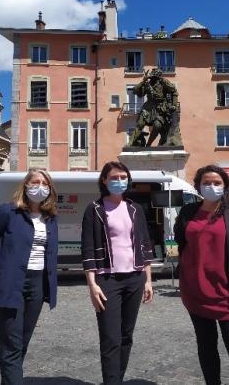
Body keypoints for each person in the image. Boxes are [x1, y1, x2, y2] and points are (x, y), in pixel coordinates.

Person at [174, 164, 229, 385]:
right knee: (206, 346)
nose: (211, 186)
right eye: (206, 183)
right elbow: (183, 242)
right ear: (198, 186)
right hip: (195, 291)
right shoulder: (188, 212)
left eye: (216, 183)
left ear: (225, 186)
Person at [0, 169, 59, 385]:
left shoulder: (50, 218)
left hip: (37, 284)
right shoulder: (8, 212)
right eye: (35, 182)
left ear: (50, 189)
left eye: (45, 183)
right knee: (11, 343)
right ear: (25, 185)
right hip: (10, 283)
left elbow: (50, 253)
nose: (40, 186)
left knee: (22, 341)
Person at [81, 161, 154, 385]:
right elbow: (88, 249)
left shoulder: (135, 209)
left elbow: (144, 244)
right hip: (107, 279)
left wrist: (148, 280)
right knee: (110, 337)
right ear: (104, 180)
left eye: (123, 177)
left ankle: (116, 380)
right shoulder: (94, 209)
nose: (119, 181)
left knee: (126, 336)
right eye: (114, 177)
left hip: (135, 278)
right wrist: (92, 285)